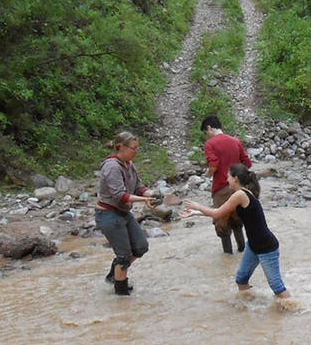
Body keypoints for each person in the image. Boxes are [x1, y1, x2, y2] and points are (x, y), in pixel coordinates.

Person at [180, 164, 290, 298]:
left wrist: (197, 206)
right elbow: (220, 214)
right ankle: (248, 308)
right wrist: (196, 213)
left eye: (228, 177)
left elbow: (216, 213)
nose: (227, 180)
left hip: (266, 247)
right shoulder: (241, 194)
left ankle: (296, 311)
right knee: (241, 280)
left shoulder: (240, 194)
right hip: (253, 245)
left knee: (277, 287)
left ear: (236, 178)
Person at [95, 131, 161, 296]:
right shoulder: (111, 166)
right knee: (124, 256)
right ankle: (121, 293)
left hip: (123, 213)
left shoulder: (129, 165)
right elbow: (120, 195)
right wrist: (143, 200)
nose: (136, 152)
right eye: (133, 148)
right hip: (109, 215)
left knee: (140, 247)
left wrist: (149, 193)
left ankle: (114, 274)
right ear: (121, 147)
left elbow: (138, 186)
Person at [201, 115, 252, 254]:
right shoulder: (236, 141)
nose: (207, 136)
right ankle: (242, 250)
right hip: (238, 188)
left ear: (209, 128)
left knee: (222, 224)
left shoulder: (210, 144)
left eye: (206, 133)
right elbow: (247, 163)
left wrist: (208, 173)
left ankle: (228, 256)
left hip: (221, 188)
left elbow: (214, 165)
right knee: (237, 222)